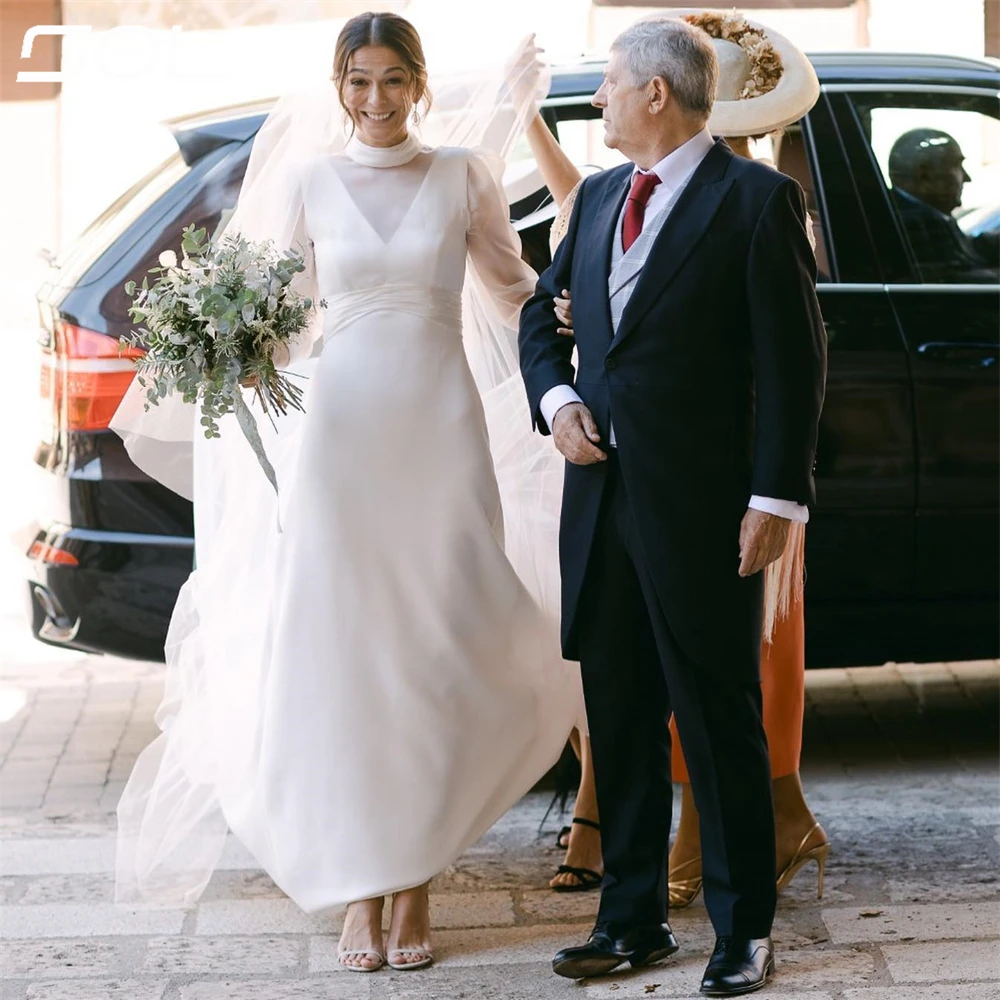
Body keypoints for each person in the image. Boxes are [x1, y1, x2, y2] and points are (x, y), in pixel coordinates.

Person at [111, 12, 580, 975]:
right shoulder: (308, 181)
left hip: (440, 434)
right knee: (346, 656)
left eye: (392, 80)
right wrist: (229, 348)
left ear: (419, 84)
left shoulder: (462, 176)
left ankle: (414, 877)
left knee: (436, 646)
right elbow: (279, 325)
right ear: (339, 87)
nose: (375, 99)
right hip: (344, 439)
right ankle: (360, 885)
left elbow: (508, 286)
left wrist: (591, 300)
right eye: (358, 82)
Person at [518, 14, 826, 996]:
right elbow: (543, 314)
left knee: (717, 718)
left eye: (608, 83)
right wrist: (558, 399)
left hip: (703, 509)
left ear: (655, 93)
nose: (598, 98)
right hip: (600, 504)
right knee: (619, 717)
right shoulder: (602, 195)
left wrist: (777, 496)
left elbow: (793, 364)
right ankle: (631, 921)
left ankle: (744, 930)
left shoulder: (753, 202)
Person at [887, 128, 998, 283]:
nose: (967, 178)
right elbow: (956, 277)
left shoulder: (926, 214)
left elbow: (968, 249)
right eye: (958, 166)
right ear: (924, 175)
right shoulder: (912, 222)